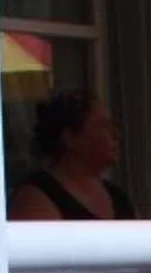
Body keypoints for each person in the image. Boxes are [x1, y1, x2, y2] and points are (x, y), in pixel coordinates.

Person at [11, 89, 135, 222]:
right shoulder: (36, 197)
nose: (115, 135)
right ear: (69, 137)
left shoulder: (119, 198)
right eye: (103, 126)